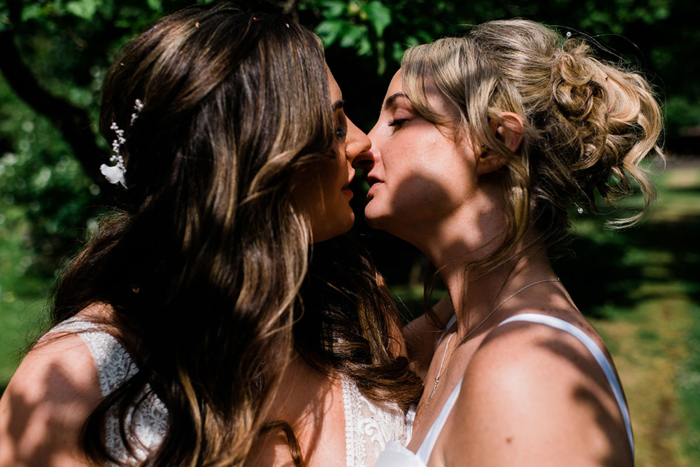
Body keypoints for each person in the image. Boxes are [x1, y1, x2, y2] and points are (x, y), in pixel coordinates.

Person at [0, 4, 421, 466]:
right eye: (336, 125)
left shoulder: (355, 314)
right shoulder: (72, 384)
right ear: (256, 155)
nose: (362, 144)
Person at [361, 19, 662, 466]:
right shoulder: (449, 334)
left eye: (400, 120)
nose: (365, 143)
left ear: (493, 143)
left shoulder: (530, 371)